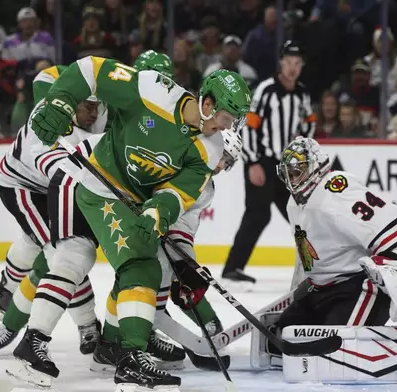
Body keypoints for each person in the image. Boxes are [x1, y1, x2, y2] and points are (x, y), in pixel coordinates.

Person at [16, 54, 251, 390]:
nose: (225, 129)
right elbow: (91, 70)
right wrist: (61, 98)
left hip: (127, 201)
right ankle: (51, 344)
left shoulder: (209, 148)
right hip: (94, 184)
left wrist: (158, 211)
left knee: (142, 267)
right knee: (81, 260)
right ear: (208, 103)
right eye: (226, 119)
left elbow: (177, 192)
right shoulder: (153, 90)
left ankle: (117, 348)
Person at [0, 52, 178, 366]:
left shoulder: (111, 103)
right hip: (27, 185)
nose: (93, 113)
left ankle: (103, 332)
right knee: (59, 256)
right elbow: (59, 163)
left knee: (65, 255)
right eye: (87, 105)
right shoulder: (49, 118)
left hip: (73, 185)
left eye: (96, 106)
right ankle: (39, 327)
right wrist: (57, 98)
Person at [91, 130, 244, 373]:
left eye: (228, 161)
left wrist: (187, 263)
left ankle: (114, 342)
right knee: (144, 276)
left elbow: (183, 224)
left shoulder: (206, 187)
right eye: (224, 156)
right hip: (126, 216)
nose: (223, 165)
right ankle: (123, 340)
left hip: (154, 229)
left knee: (142, 279)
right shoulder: (180, 160)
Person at [270, 136, 397, 345]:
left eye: (298, 172)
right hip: (321, 290)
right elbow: (305, 254)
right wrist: (297, 291)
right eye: (289, 174)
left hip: (359, 287)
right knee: (280, 342)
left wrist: (392, 273)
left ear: (316, 166)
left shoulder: (336, 193)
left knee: (333, 348)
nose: (293, 180)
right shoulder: (294, 204)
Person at [223, 40, 315, 286]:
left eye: (297, 63)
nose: (293, 68)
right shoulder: (266, 89)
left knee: (302, 217)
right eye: (289, 63)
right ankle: (232, 269)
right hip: (262, 161)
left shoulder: (303, 93)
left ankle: (313, 267)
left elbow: (309, 122)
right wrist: (252, 162)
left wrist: (302, 146)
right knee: (258, 214)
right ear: (281, 63)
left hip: (287, 167)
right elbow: (249, 126)